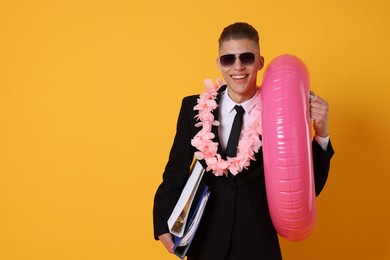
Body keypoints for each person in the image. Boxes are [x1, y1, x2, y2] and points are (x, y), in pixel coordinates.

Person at [153, 22, 334, 260]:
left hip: (258, 244)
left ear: (260, 62)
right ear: (219, 64)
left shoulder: (281, 111)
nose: (238, 67)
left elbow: (309, 187)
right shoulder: (193, 108)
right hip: (206, 244)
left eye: (246, 57)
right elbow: (176, 171)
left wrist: (321, 133)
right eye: (228, 59)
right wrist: (162, 222)